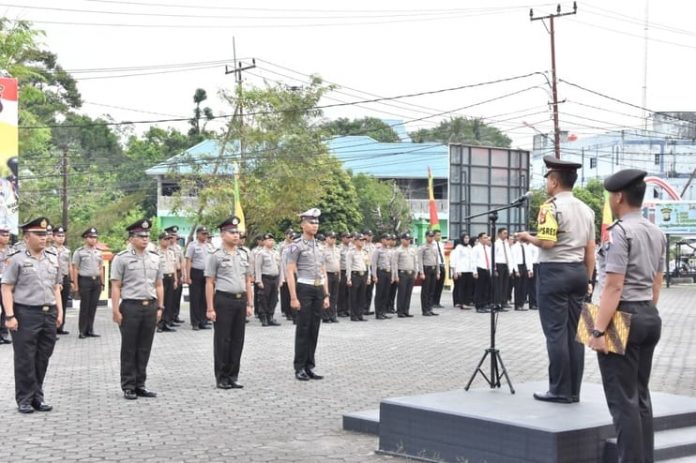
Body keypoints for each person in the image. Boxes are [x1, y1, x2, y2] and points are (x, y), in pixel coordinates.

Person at [589, 169, 665, 463]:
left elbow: (613, 284)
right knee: (640, 397)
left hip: (622, 317)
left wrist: (597, 332)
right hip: (648, 314)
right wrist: (646, 310)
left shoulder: (620, 232)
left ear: (618, 196)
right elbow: (656, 283)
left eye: (610, 195)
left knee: (623, 402)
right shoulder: (656, 231)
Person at [516, 155, 595, 404]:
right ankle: (574, 391)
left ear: (554, 181)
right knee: (576, 333)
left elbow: (548, 243)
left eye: (548, 178)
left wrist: (527, 237)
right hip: (578, 273)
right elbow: (590, 250)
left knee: (556, 333)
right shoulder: (587, 210)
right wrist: (588, 278)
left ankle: (559, 389)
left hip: (554, 273)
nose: (547, 183)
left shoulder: (549, 208)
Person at [2, 217, 63, 413]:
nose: (43, 238)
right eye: (38, 234)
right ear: (27, 237)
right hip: (26, 313)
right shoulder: (16, 258)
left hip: (49, 313)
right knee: (25, 358)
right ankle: (24, 399)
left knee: (43, 356)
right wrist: (10, 316)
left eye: (45, 234)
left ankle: (38, 397)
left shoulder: (53, 257)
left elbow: (56, 288)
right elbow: (6, 288)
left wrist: (59, 311)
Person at [111, 219, 164, 400]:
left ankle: (140, 384)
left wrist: (160, 307)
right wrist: (116, 311)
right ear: (131, 238)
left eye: (147, 236)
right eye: (141, 236)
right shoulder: (121, 258)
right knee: (129, 348)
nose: (145, 239)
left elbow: (158, 284)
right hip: (130, 307)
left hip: (149, 306)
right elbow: (116, 286)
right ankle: (128, 385)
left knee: (144, 348)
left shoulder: (155, 258)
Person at [205, 216, 253, 389]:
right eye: (232, 232)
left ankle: (233, 375)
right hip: (224, 300)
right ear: (222, 234)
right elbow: (209, 282)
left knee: (237, 340)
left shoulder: (243, 254)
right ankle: (222, 377)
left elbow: (248, 280)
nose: (236, 236)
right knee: (223, 340)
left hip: (240, 300)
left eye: (237, 233)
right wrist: (210, 308)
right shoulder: (215, 256)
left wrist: (249, 304)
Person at [285, 208, 330, 381]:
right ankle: (299, 367)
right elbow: (290, 272)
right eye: (311, 222)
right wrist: (294, 297)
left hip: (318, 289)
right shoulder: (295, 246)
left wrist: (326, 294)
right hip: (303, 288)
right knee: (303, 328)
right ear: (303, 225)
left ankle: (310, 365)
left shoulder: (319, 246)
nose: (315, 225)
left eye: (317, 222)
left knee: (314, 329)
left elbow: (322, 270)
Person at [72, 227, 104, 339]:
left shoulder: (99, 252)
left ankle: (90, 329)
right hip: (85, 280)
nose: (93, 240)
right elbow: (75, 268)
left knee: (93, 306)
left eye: (95, 237)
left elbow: (100, 268)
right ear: (85, 238)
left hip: (96, 281)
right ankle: (82, 331)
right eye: (91, 237)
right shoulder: (79, 252)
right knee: (85, 306)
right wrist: (75, 285)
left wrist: (102, 282)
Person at [184, 226, 214, 330]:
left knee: (204, 298)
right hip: (196, 272)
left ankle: (203, 321)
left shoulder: (209, 246)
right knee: (195, 298)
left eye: (206, 234)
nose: (205, 236)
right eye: (203, 234)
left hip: (206, 273)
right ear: (198, 234)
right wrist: (188, 276)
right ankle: (195, 322)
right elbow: (188, 260)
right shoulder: (193, 245)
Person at [254, 232, 281, 327]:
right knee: (263, 299)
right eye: (269, 240)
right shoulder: (261, 253)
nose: (272, 242)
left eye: (272, 240)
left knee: (274, 299)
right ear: (264, 242)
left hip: (275, 278)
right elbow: (257, 267)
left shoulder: (276, 253)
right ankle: (264, 317)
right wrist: (258, 280)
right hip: (265, 278)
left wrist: (281, 280)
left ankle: (271, 316)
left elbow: (280, 267)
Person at [392, 232, 419, 318]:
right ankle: (400, 311)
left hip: (411, 273)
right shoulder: (398, 250)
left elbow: (415, 262)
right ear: (402, 240)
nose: (408, 241)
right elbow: (395, 264)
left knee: (408, 293)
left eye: (409, 239)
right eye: (406, 239)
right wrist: (396, 275)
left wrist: (416, 272)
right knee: (402, 293)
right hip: (402, 273)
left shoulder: (412, 250)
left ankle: (406, 310)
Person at [156, 232, 178, 333]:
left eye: (169, 239)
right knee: (161, 301)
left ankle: (166, 323)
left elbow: (174, 267)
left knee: (169, 302)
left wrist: (176, 279)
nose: (168, 241)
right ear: (160, 240)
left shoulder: (171, 252)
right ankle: (159, 324)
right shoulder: (155, 252)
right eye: (165, 239)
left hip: (170, 277)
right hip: (161, 278)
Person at [52, 226, 72, 335]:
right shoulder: (49, 250)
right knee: (53, 304)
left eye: (63, 236)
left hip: (64, 278)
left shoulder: (67, 251)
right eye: (59, 236)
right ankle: (52, 327)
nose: (61, 238)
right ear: (53, 237)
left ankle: (61, 326)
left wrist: (71, 280)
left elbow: (69, 266)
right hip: (53, 279)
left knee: (63, 303)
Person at [164, 226, 185, 324]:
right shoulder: (165, 247)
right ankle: (168, 318)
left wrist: (183, 274)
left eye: (175, 235)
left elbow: (182, 261)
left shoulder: (178, 247)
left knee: (177, 296)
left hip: (178, 273)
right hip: (169, 273)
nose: (174, 237)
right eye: (172, 235)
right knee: (169, 298)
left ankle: (175, 315)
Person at [346, 233, 369, 321]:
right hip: (355, 275)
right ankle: (354, 315)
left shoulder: (365, 252)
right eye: (360, 240)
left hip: (363, 275)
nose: (362, 242)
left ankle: (360, 314)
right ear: (355, 241)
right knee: (354, 296)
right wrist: (349, 279)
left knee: (362, 296)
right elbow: (348, 266)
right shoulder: (351, 252)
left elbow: (367, 265)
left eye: (364, 240)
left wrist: (369, 276)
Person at [371, 233, 393, 320]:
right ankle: (378, 313)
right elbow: (374, 264)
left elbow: (391, 264)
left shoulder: (390, 251)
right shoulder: (378, 251)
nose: (388, 241)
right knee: (379, 293)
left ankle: (383, 312)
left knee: (386, 293)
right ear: (382, 240)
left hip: (388, 273)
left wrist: (392, 275)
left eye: (389, 239)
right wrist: (374, 276)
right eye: (386, 239)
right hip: (381, 272)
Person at [418, 230, 440, 316]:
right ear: (426, 237)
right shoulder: (422, 247)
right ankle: (425, 309)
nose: (431, 238)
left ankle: (430, 308)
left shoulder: (435, 246)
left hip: (434, 269)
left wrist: (438, 271)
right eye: (429, 236)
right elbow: (420, 260)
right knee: (425, 291)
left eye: (432, 236)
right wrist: (421, 272)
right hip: (426, 269)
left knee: (432, 290)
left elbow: (437, 260)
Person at [450, 233, 474, 309]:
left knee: (469, 287)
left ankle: (467, 302)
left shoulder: (470, 247)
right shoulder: (459, 247)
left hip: (469, 269)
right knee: (461, 287)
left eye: (468, 238)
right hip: (462, 270)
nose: (467, 240)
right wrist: (456, 270)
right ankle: (461, 302)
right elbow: (456, 260)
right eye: (465, 238)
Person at [321, 231, 341, 323]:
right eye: (331, 237)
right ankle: (326, 316)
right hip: (327, 274)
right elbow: (322, 264)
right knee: (326, 295)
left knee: (334, 296)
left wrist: (339, 274)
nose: (333, 240)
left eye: (334, 238)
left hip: (336, 274)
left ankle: (333, 315)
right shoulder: (323, 250)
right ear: (326, 238)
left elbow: (338, 263)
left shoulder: (337, 249)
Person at [472, 233, 493, 313]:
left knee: (486, 288)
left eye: (487, 238)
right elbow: (473, 260)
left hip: (487, 269)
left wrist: (491, 270)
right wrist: (474, 271)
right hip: (479, 269)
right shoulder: (476, 248)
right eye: (484, 238)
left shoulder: (488, 248)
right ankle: (479, 306)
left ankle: (484, 304)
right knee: (479, 289)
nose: (486, 239)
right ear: (480, 239)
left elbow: (490, 260)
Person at [494, 228, 513, 311]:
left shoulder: (506, 244)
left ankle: (503, 302)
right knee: (499, 285)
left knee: (505, 285)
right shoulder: (496, 244)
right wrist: (494, 269)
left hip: (506, 265)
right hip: (499, 265)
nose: (506, 235)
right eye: (504, 233)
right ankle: (498, 303)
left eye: (506, 233)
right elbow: (493, 257)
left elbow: (509, 256)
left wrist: (510, 268)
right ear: (499, 234)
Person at [511, 235, 531, 311]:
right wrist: (516, 270)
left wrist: (530, 269)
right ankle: (517, 305)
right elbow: (514, 259)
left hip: (525, 266)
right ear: (517, 238)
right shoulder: (514, 247)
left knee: (524, 286)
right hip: (518, 266)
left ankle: (522, 304)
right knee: (518, 287)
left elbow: (529, 258)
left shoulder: (525, 246)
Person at [0, 223, 13, 344]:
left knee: (6, 308)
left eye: (8, 235)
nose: (6, 237)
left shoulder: (11, 250)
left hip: (7, 283)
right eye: (3, 235)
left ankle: (4, 333)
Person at [362, 230, 376, 315]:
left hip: (371, 267)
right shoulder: (361, 245)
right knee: (363, 290)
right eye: (368, 235)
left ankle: (367, 308)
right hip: (363, 268)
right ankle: (362, 308)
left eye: (371, 235)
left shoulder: (373, 246)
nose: (370, 237)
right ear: (364, 236)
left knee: (370, 290)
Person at [431, 230, 446, 308]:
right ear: (433, 236)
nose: (439, 237)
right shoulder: (432, 245)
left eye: (440, 235)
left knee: (440, 285)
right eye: (437, 235)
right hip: (436, 265)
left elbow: (442, 255)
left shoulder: (441, 244)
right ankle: (433, 302)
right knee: (435, 285)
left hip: (442, 265)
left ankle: (437, 301)